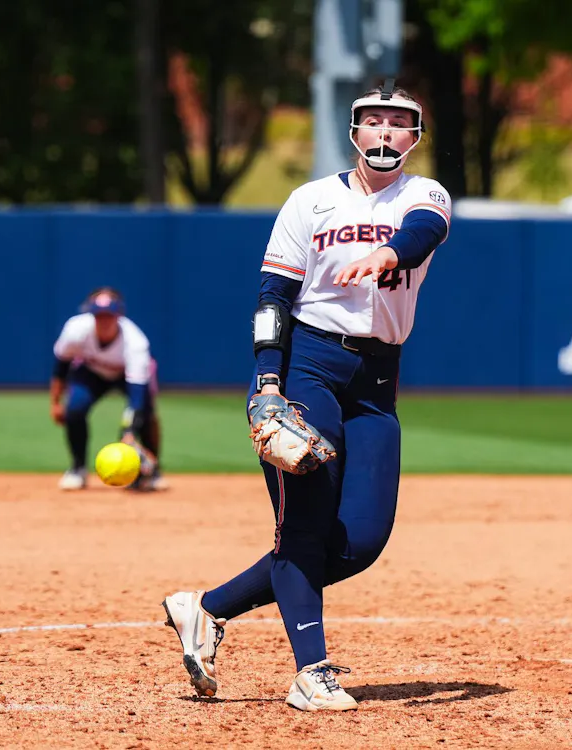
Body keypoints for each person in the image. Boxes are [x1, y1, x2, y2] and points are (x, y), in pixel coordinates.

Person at [161, 80, 452, 711]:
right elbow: (273, 299)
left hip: (376, 381)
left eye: (398, 124)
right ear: (354, 132)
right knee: (305, 525)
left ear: (414, 138)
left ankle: (206, 609)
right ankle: (310, 672)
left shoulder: (423, 195)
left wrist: (385, 252)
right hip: (307, 367)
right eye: (372, 121)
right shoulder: (310, 201)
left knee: (360, 542)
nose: (384, 132)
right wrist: (269, 380)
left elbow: (425, 232)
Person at [49, 287, 167, 491]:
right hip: (91, 372)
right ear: (91, 315)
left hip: (126, 377)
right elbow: (61, 367)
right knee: (75, 408)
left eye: (109, 316)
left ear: (118, 315)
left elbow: (136, 398)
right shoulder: (76, 330)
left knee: (146, 414)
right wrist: (56, 403)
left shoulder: (135, 343)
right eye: (99, 316)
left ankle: (152, 470)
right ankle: (77, 469)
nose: (104, 321)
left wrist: (129, 431)